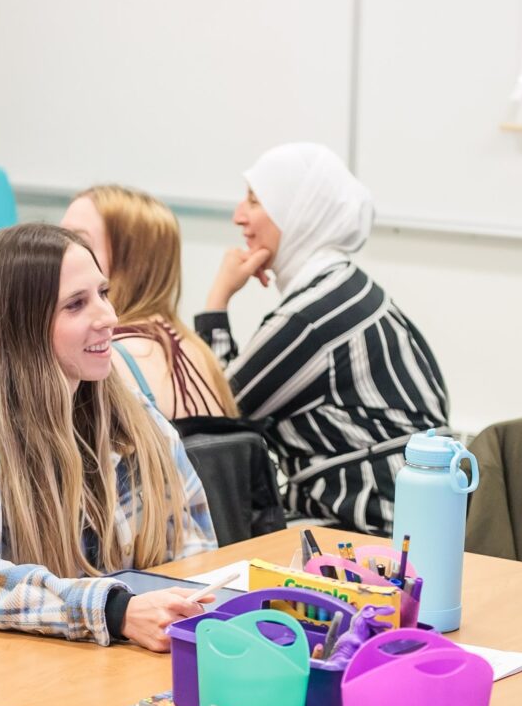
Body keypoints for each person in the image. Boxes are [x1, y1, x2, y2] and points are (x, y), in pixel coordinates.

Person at [0, 223, 214, 651]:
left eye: (103, 294)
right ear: (20, 327)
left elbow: (197, 554)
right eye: (76, 304)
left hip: (117, 664)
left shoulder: (132, 415)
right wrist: (113, 611)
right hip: (12, 675)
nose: (109, 317)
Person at [192, 143, 448, 531]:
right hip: (412, 513)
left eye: (255, 202)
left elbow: (217, 413)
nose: (238, 217)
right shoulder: (343, 286)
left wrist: (217, 303)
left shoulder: (314, 314)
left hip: (370, 524)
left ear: (298, 213)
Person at [61, 184, 234, 419]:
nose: (59, 253)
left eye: (78, 243)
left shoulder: (102, 357)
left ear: (130, 261)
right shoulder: (199, 352)